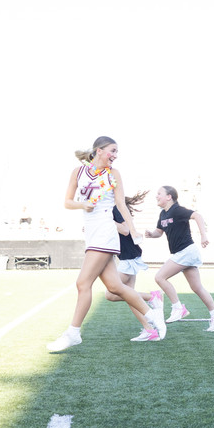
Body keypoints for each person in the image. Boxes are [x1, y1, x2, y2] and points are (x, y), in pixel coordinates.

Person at [47, 136, 167, 352]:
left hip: (105, 231)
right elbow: (67, 202)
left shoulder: (113, 174)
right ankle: (153, 311)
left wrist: (133, 230)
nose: (115, 155)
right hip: (91, 232)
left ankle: (73, 333)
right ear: (99, 150)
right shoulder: (78, 172)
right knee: (114, 287)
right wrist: (83, 204)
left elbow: (120, 204)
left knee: (83, 283)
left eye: (116, 152)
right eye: (112, 150)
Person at [145, 186, 214, 332]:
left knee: (160, 277)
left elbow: (197, 216)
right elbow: (159, 232)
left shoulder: (177, 210)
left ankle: (178, 308)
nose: (156, 196)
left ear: (169, 196)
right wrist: (151, 234)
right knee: (197, 287)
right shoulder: (163, 214)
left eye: (159, 194)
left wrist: (203, 235)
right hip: (183, 253)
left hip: (186, 251)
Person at [104, 191, 165, 342]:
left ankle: (152, 296)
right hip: (128, 256)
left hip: (129, 258)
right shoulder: (115, 208)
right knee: (129, 296)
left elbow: (124, 230)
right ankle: (149, 330)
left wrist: (104, 220)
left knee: (111, 294)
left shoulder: (115, 209)